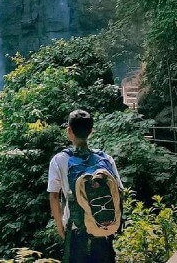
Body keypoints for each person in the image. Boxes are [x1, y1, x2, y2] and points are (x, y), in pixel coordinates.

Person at [47, 110, 123, 263]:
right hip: (103, 229)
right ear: (91, 131)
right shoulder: (105, 159)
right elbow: (119, 191)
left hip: (76, 231)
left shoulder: (59, 160)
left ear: (69, 131)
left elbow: (54, 196)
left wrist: (60, 228)